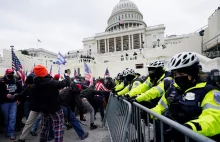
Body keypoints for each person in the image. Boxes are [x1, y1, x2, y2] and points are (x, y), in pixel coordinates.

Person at [152, 52, 220, 142]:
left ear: (192, 73)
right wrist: (148, 113)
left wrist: (189, 128)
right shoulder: (172, 90)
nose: (177, 77)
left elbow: (214, 118)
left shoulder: (209, 91)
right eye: (175, 74)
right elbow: (160, 107)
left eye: (181, 74)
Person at [32, 65, 70, 142]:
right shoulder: (51, 82)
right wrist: (68, 76)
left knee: (44, 127)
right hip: (55, 109)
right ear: (45, 72)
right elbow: (65, 83)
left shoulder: (35, 85)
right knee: (58, 128)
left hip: (44, 110)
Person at [0, 69, 22, 140]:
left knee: (12, 117)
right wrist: (5, 95)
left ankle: (11, 133)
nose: (11, 75)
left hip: (13, 102)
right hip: (5, 102)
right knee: (6, 118)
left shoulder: (16, 81)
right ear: (6, 74)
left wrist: (19, 99)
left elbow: (20, 91)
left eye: (12, 73)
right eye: (10, 74)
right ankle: (6, 130)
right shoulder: (1, 82)